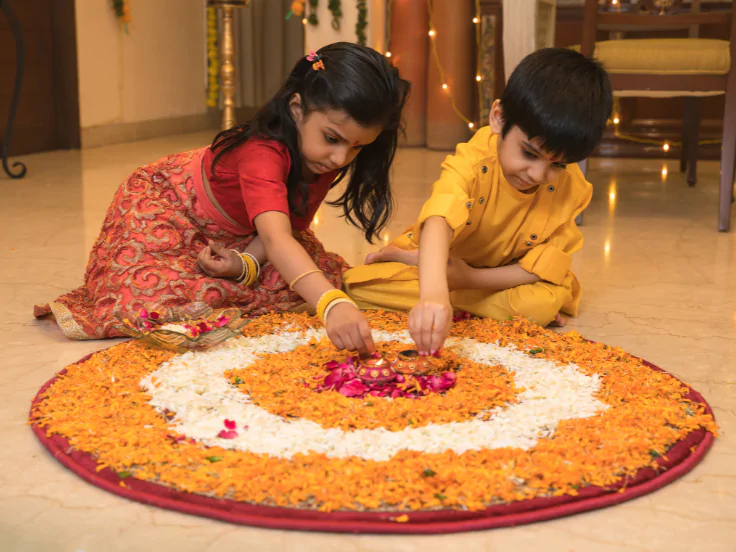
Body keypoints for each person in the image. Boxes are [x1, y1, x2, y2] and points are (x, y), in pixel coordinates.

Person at [35, 42, 409, 353]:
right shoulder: (263, 152)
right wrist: (331, 306)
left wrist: (245, 263)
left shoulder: (323, 156)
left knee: (318, 274)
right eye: (333, 139)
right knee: (146, 302)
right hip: (169, 207)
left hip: (245, 229)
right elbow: (278, 238)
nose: (341, 159)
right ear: (296, 109)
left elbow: (283, 228)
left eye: (357, 148)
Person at [343, 48, 612, 355]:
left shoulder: (571, 186)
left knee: (544, 300)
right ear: (498, 118)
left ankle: (439, 280)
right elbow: (438, 220)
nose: (538, 174)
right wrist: (433, 295)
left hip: (495, 277)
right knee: (356, 285)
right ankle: (427, 269)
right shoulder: (473, 162)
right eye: (529, 153)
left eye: (557, 165)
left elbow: (542, 269)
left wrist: (466, 277)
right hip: (444, 264)